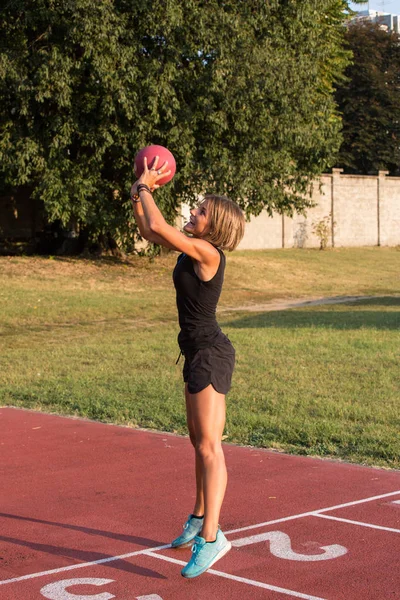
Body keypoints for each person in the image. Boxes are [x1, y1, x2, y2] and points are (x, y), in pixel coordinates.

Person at [130, 155, 245, 578]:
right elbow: (149, 229)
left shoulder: (207, 253)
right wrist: (136, 192)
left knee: (210, 446)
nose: (192, 213)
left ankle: (213, 538)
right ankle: (198, 517)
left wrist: (145, 185)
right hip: (195, 352)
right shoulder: (189, 247)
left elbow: (159, 226)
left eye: (200, 211)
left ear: (214, 226)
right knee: (197, 440)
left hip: (211, 354)